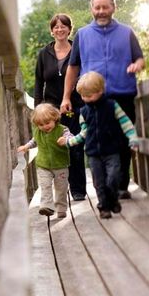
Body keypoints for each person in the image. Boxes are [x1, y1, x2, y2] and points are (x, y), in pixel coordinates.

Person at [60, 0, 145, 200]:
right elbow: (73, 67)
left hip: (122, 93)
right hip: (91, 98)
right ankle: (103, 185)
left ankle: (121, 185)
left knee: (124, 139)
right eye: (97, 8)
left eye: (105, 7)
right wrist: (66, 97)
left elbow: (140, 58)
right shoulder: (82, 34)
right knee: (94, 139)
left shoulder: (126, 32)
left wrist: (137, 65)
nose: (101, 11)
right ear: (92, 9)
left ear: (113, 7)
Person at [58, 72, 139, 219]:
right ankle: (104, 207)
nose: (86, 99)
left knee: (113, 178)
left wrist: (132, 139)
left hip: (112, 150)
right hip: (93, 153)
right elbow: (84, 133)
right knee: (99, 182)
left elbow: (126, 123)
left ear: (100, 91)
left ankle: (113, 199)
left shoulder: (112, 106)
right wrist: (69, 142)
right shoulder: (84, 111)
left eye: (89, 95)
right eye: (83, 96)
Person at [34, 13, 86, 201]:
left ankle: (78, 189)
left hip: (76, 104)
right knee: (55, 148)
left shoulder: (77, 50)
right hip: (51, 109)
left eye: (63, 26)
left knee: (75, 146)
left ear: (69, 29)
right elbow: (39, 83)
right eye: (56, 27)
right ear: (51, 31)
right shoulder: (43, 54)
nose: (59, 29)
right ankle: (58, 191)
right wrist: (37, 110)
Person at [17, 103, 73, 219]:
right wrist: (26, 147)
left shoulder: (62, 130)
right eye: (40, 124)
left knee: (61, 188)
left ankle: (61, 208)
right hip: (43, 165)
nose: (44, 126)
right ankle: (47, 206)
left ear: (55, 118)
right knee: (45, 186)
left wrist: (66, 140)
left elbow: (71, 137)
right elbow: (34, 141)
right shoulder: (38, 132)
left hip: (60, 165)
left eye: (47, 123)